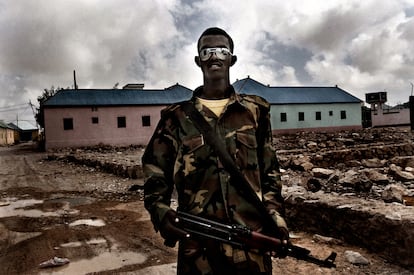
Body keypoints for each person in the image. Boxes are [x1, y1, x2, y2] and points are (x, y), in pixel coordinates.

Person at [142, 27, 289, 275]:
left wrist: (276, 219)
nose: (215, 56)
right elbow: (155, 169)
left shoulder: (255, 112)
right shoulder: (176, 118)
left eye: (222, 50)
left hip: (251, 241)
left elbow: (270, 172)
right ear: (198, 60)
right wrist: (160, 212)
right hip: (198, 248)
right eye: (207, 51)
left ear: (232, 58)